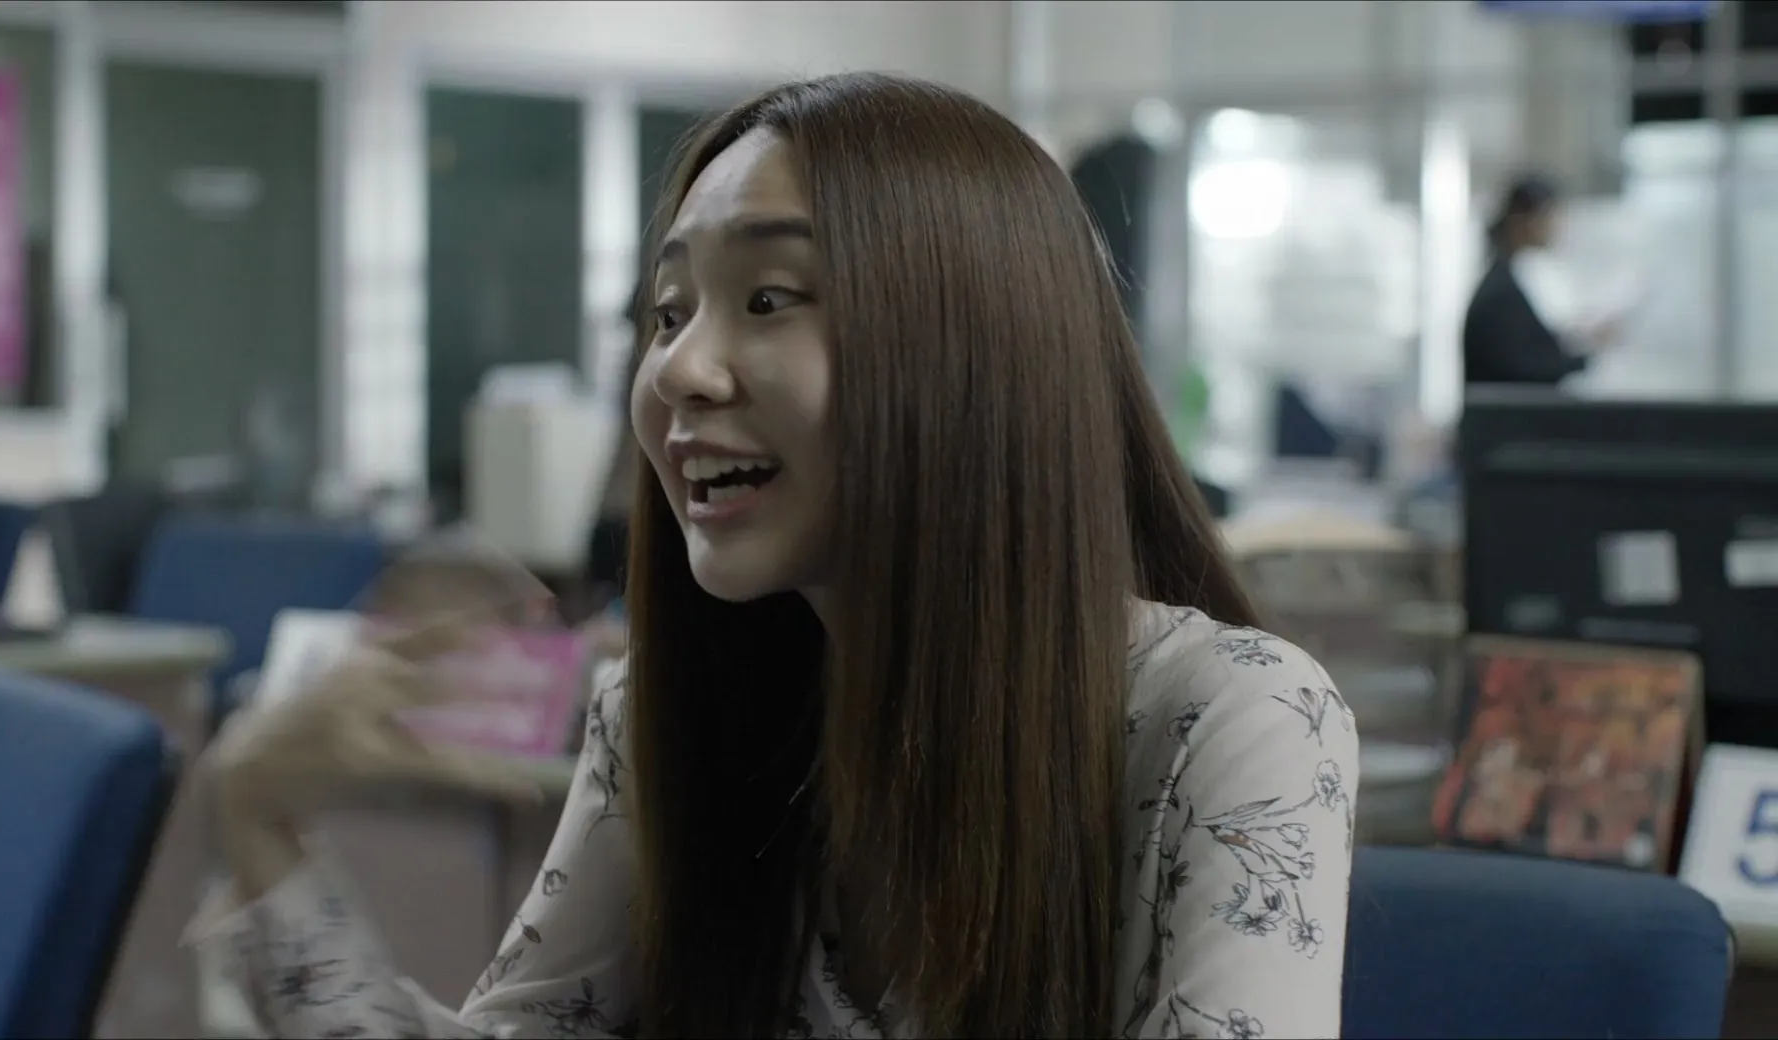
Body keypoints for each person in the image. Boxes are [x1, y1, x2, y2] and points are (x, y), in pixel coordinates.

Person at [200, 73, 1359, 1039]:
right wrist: (259, 817)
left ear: (970, 355)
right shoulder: (670, 712)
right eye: (668, 313)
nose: (677, 370)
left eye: (767, 297)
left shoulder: (1232, 720)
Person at [1463, 174, 1620, 387]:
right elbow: (1521, 368)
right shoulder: (1500, 293)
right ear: (1523, 220)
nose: (1557, 227)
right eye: (1550, 217)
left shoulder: (1507, 281)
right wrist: (1582, 357)